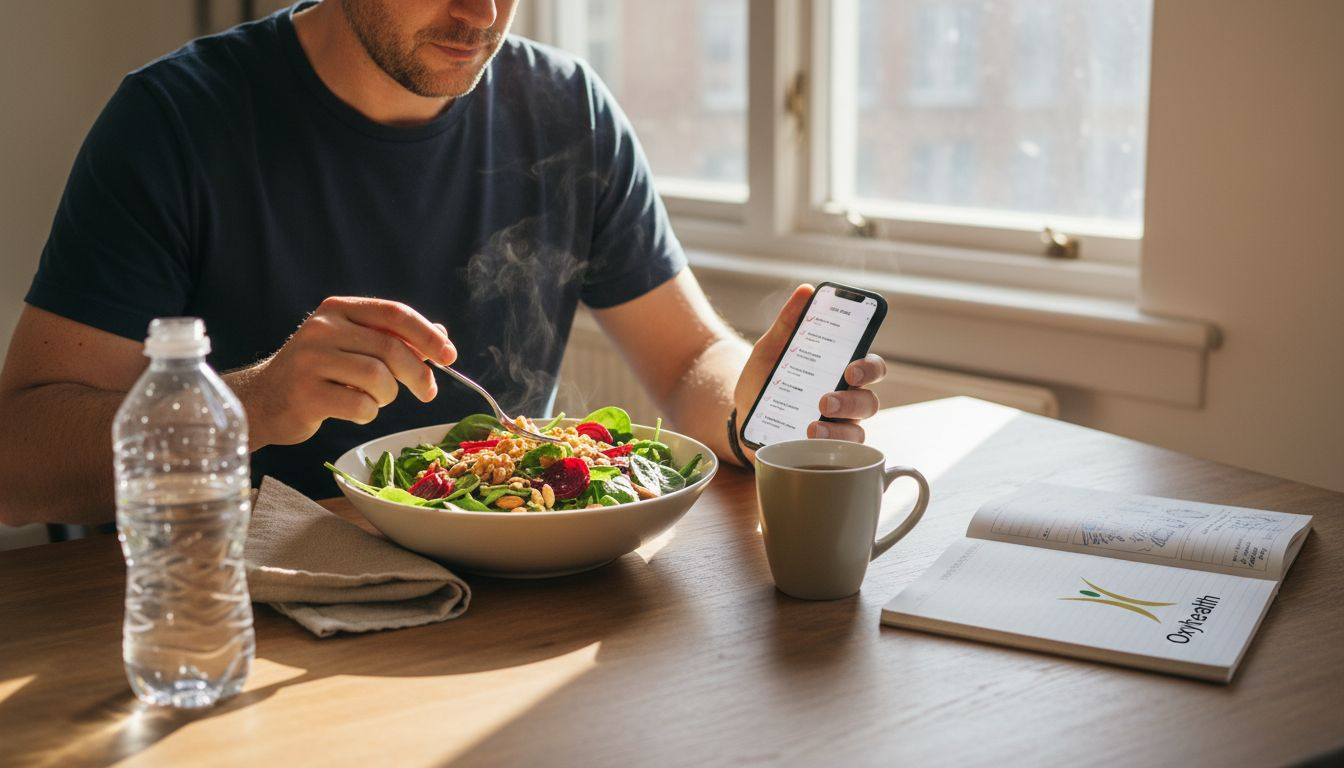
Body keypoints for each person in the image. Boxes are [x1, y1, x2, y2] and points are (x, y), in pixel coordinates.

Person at [0, 0, 885, 526]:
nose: (481, 13)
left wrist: (748, 402)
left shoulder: (567, 110)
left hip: (510, 611)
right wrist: (255, 405)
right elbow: (17, 462)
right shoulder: (173, 123)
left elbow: (689, 361)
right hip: (233, 616)